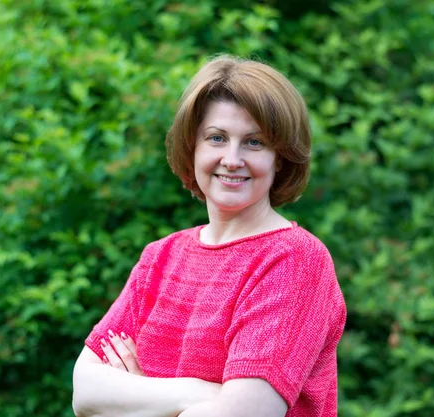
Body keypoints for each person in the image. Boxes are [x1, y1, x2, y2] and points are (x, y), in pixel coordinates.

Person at [72, 55, 347, 417]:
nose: (232, 159)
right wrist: (194, 393)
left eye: (254, 143)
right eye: (217, 138)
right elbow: (86, 392)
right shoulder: (160, 257)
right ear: (193, 147)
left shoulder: (293, 261)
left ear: (280, 157)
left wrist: (137, 398)